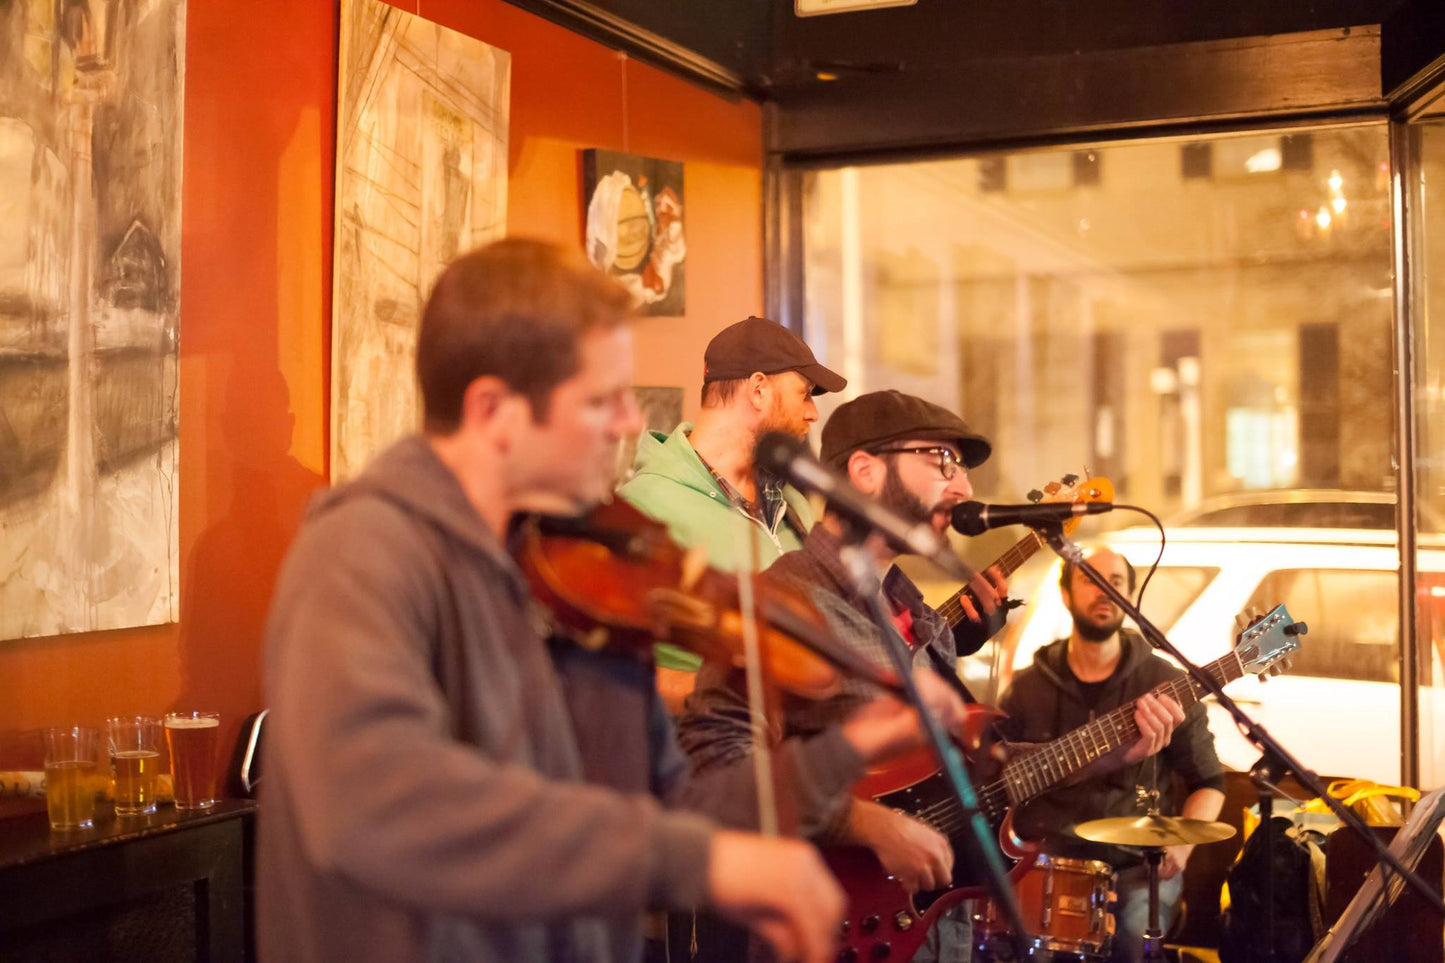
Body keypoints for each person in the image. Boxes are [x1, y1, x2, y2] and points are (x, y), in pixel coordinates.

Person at [257, 239, 850, 963]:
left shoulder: (572, 572)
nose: (629, 423)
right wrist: (702, 862)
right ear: (493, 410)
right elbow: (378, 807)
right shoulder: (360, 551)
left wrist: (849, 753)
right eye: (601, 400)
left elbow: (668, 799)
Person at [681, 390, 1185, 961]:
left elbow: (967, 777)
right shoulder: (780, 603)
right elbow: (714, 768)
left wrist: (1111, 750)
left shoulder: (920, 618)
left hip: (936, 935)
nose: (963, 488)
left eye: (962, 468)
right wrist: (866, 823)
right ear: (865, 471)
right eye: (942, 461)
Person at [997, 547, 1225, 963]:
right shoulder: (1027, 688)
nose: (1105, 591)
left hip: (1135, 866)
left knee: (1134, 939)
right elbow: (995, 782)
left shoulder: (1166, 684)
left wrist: (1183, 847)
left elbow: (1209, 784)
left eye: (1116, 583)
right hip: (1044, 863)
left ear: (1130, 598)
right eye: (1091, 580)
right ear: (1065, 595)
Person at [619, 315, 847, 706]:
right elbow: (613, 675)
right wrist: (740, 692)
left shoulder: (794, 503)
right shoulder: (641, 507)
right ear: (758, 390)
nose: (812, 413)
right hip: (706, 742)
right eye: (805, 393)